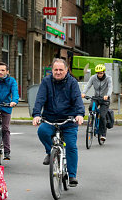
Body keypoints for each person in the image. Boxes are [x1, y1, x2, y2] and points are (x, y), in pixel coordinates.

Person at [32, 58, 85, 187]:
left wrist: (79, 114)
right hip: (50, 118)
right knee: (42, 131)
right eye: (56, 69)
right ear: (52, 70)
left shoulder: (72, 83)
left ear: (66, 70)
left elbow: (78, 99)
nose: (58, 72)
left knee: (71, 146)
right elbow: (40, 99)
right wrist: (36, 115)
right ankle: (50, 152)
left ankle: (72, 175)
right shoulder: (46, 82)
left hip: (69, 120)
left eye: (61, 69)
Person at [81, 64, 113, 142]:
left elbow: (110, 87)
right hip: (96, 98)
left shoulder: (108, 78)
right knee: (91, 107)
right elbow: (88, 85)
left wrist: (107, 95)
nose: (99, 75)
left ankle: (103, 134)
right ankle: (92, 121)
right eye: (98, 73)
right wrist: (83, 93)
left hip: (105, 99)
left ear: (104, 72)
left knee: (102, 116)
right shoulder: (93, 78)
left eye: (101, 73)